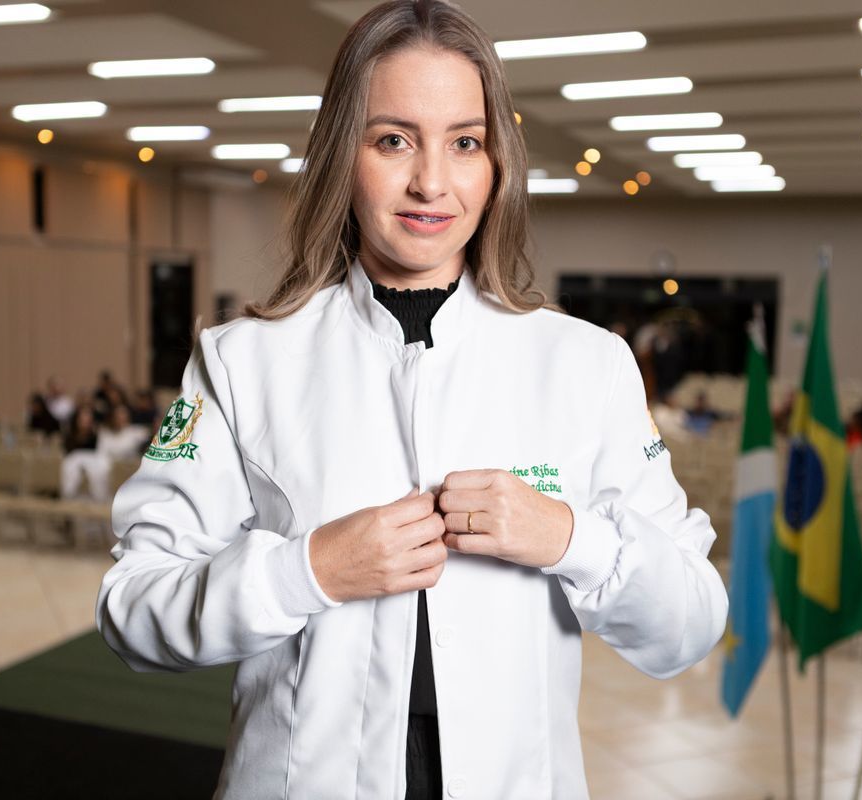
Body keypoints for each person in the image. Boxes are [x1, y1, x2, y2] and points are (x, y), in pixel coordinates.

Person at [95, 3, 727, 798]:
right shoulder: (241, 361)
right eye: (393, 140)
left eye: (464, 143)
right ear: (342, 156)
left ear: (496, 165)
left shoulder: (586, 365)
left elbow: (690, 625)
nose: (431, 181)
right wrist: (307, 570)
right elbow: (132, 610)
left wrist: (570, 538)